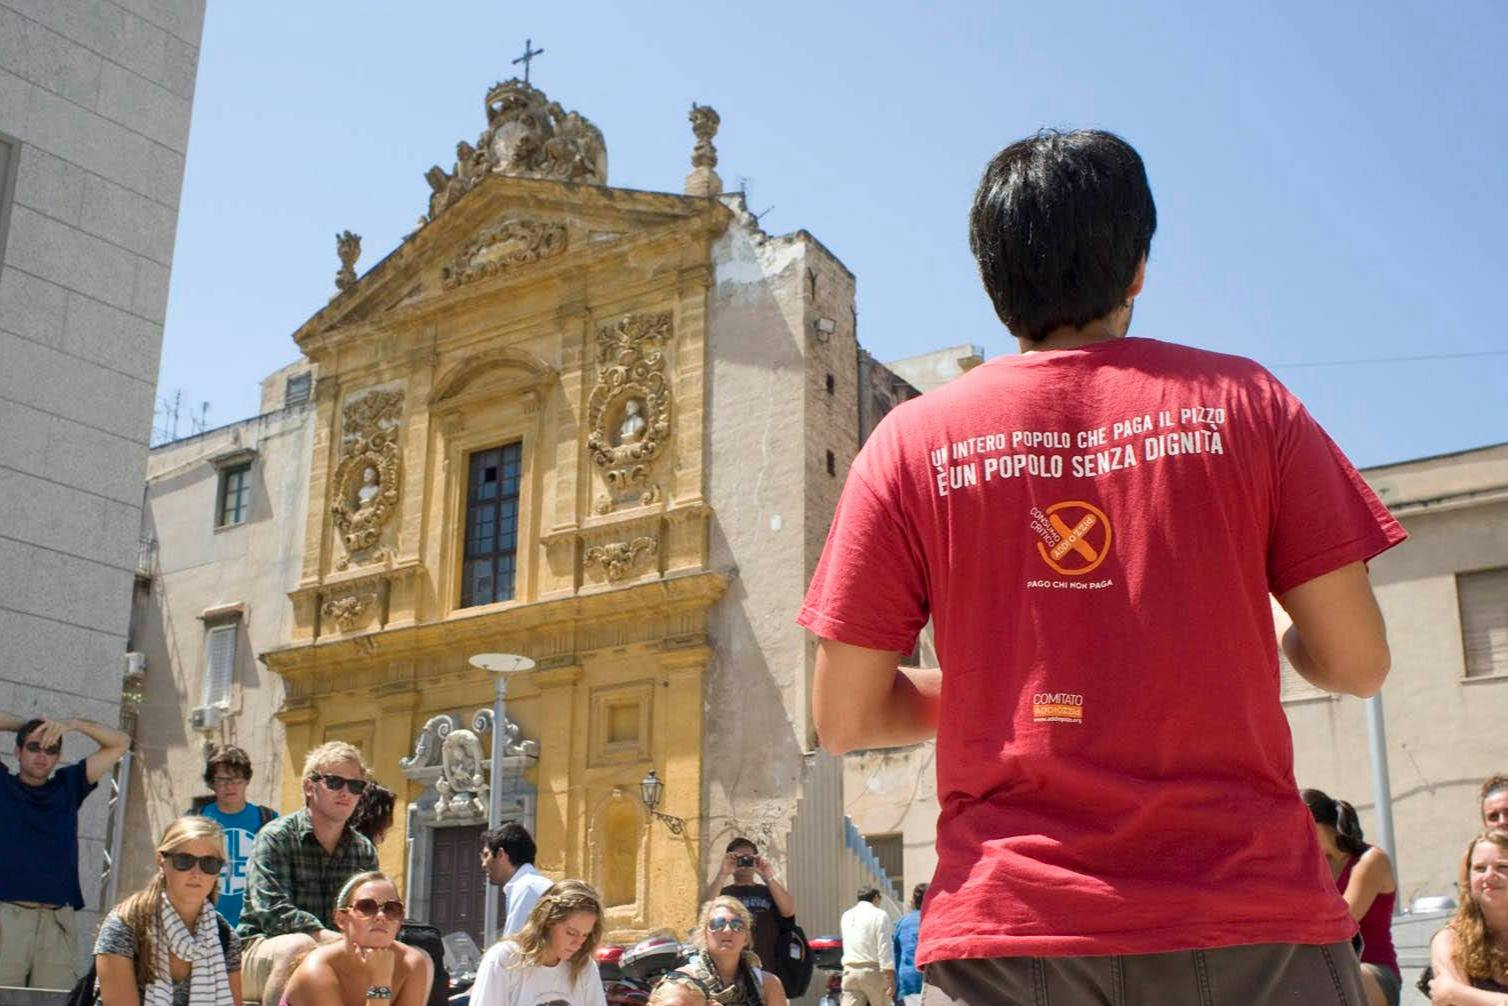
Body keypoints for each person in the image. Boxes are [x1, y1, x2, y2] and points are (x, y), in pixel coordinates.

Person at [799, 129, 1406, 1005]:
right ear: (1138, 268)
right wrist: (1274, 623)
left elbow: (845, 717)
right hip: (1251, 931)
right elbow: (1357, 663)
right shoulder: (1251, 405)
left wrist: (1008, 691)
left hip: (1009, 939)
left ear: (992, 278)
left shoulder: (909, 444)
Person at [238, 741, 379, 1006]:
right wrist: (327, 938)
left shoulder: (363, 850)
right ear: (309, 787)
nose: (346, 792)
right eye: (334, 782)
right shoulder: (275, 837)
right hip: (260, 949)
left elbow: (369, 913)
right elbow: (273, 913)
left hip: (336, 949)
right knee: (299, 946)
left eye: (355, 786)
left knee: (413, 958)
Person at [0, 711, 131, 987]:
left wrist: (74, 725)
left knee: (55, 1000)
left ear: (58, 757)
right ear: (18, 751)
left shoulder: (68, 786)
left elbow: (121, 742)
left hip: (57, 922)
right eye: (34, 747)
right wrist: (28, 726)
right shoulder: (3, 784)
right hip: (7, 919)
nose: (42, 755)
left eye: (51, 749)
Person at [94, 816, 241, 1006]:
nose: (196, 873)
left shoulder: (225, 938)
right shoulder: (125, 925)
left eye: (209, 863)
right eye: (184, 860)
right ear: (161, 861)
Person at [1303, 789, 1401, 1006]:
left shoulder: (1370, 860)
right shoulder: (1313, 867)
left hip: (1373, 970)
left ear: (1312, 823)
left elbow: (1340, 925)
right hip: (1326, 973)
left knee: (1327, 985)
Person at [280, 871, 432, 1006]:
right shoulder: (317, 969)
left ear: (399, 923)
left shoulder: (412, 963)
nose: (381, 916)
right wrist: (380, 982)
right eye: (366, 907)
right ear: (341, 919)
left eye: (392, 909)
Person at [469, 879, 607, 1006]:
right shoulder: (505, 959)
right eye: (571, 932)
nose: (578, 943)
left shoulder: (583, 966)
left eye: (585, 935)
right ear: (547, 921)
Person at [188, 744, 279, 927]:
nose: (230, 786)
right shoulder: (195, 819)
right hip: (203, 924)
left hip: (254, 927)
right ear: (212, 783)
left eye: (236, 779)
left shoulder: (269, 820)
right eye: (222, 780)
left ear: (247, 780)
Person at [1428, 832, 1508, 1004]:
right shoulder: (1451, 939)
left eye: (1502, 866)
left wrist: (1456, 993)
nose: (1489, 876)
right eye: (1480, 868)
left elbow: (1453, 996)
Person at [676, 896, 787, 1006]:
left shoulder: (768, 984)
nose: (728, 930)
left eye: (737, 925)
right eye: (718, 924)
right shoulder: (684, 982)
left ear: (746, 938)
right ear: (704, 934)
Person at [713, 837, 796, 971]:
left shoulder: (768, 891)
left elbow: (789, 911)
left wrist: (767, 876)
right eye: (739, 858)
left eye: (749, 858)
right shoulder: (723, 893)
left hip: (767, 964)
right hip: (733, 966)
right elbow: (704, 910)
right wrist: (723, 874)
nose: (745, 862)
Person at [480, 822, 553, 937]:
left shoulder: (527, 888)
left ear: (501, 854)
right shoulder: (530, 884)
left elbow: (515, 944)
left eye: (486, 855)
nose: (483, 864)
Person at [838, 889, 893, 1006]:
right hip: (873, 971)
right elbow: (885, 946)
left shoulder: (846, 916)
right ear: (876, 898)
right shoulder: (880, 915)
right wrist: (890, 976)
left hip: (850, 972)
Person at [891, 883, 926, 1005]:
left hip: (908, 980)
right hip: (931, 981)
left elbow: (896, 955)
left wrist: (895, 989)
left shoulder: (902, 922)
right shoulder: (935, 921)